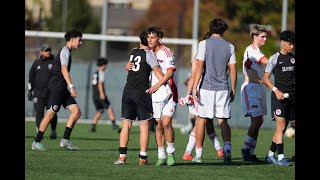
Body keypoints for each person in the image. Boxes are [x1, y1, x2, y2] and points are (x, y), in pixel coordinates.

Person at [114, 29, 169, 165]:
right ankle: (142, 158)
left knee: (126, 124)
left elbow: (128, 66)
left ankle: (122, 157)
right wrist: (165, 83)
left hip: (128, 91)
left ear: (139, 41)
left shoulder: (133, 51)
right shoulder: (149, 54)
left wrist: (125, 66)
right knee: (144, 125)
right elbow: (157, 71)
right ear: (148, 41)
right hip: (141, 93)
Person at [192, 18, 237, 164]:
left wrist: (194, 87)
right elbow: (233, 69)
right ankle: (227, 148)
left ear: (211, 29)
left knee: (201, 120)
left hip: (207, 88)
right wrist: (233, 89)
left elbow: (199, 67)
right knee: (222, 120)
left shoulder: (203, 44)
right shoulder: (230, 46)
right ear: (224, 30)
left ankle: (198, 155)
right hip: (223, 88)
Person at [31, 29, 83, 151]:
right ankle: (36, 141)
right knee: (50, 114)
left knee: (76, 111)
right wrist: (71, 87)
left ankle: (65, 140)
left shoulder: (68, 51)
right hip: (57, 87)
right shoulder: (65, 51)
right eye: (79, 40)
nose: (80, 43)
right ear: (72, 39)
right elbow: (64, 69)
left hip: (61, 87)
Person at [180, 32, 224, 161]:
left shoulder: (214, 57)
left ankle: (219, 149)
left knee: (207, 123)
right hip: (201, 93)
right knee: (201, 122)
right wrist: (189, 94)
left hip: (210, 92)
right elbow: (192, 77)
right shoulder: (198, 57)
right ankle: (191, 152)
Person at [146, 26, 178, 166]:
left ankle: (171, 153)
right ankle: (161, 155)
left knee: (166, 123)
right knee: (158, 125)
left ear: (160, 38)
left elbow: (170, 72)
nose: (150, 40)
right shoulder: (147, 53)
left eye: (152, 37)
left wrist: (158, 85)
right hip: (154, 94)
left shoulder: (166, 52)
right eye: (148, 37)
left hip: (169, 92)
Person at [263, 30, 295, 166]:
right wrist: (276, 91)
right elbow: (265, 78)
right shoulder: (274, 58)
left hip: (292, 98)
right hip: (278, 97)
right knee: (281, 126)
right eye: (290, 44)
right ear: (283, 43)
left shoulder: (294, 59)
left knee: (283, 127)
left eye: (293, 44)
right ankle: (281, 157)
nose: (292, 46)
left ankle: (270, 155)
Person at [240, 24, 269, 162]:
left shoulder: (259, 51)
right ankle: (245, 149)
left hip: (259, 88)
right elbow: (266, 62)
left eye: (266, 36)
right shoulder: (250, 50)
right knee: (257, 119)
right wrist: (281, 63)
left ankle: (250, 153)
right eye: (262, 36)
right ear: (254, 36)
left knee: (259, 121)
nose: (265, 39)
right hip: (250, 88)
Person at [28, 43, 58, 139]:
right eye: (46, 50)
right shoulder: (36, 63)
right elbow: (31, 77)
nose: (48, 52)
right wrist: (30, 90)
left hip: (51, 93)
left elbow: (58, 77)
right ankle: (39, 131)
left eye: (49, 50)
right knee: (39, 112)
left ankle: (53, 131)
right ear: (41, 52)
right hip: (38, 93)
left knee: (52, 113)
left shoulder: (54, 62)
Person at [89, 57, 120, 133]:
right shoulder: (101, 72)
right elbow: (100, 84)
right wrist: (102, 94)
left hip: (94, 95)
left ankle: (93, 125)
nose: (106, 67)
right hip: (100, 95)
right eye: (105, 65)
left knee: (100, 110)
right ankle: (113, 124)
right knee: (109, 108)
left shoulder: (95, 73)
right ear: (103, 65)